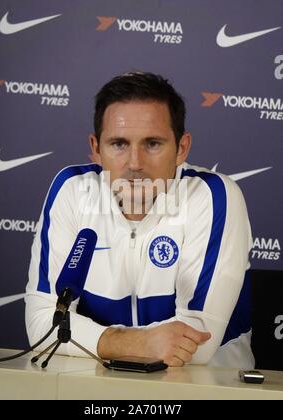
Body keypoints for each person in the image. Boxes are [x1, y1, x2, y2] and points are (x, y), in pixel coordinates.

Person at [25, 71, 254, 369]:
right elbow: (43, 326)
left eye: (153, 143)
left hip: (207, 389)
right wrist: (142, 343)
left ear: (181, 149)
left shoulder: (213, 195)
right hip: (100, 384)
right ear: (96, 149)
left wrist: (96, 339)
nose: (135, 163)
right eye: (119, 144)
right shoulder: (73, 190)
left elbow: (197, 346)